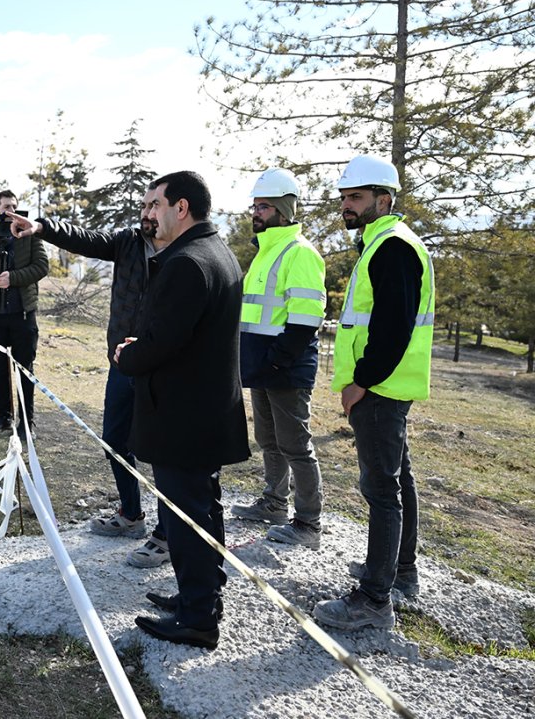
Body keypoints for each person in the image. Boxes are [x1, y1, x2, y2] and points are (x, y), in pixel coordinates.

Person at [113, 171, 249, 649]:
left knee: (186, 517)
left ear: (181, 208)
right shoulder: (218, 252)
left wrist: (126, 354)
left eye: (154, 205)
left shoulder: (187, 263)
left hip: (182, 416)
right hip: (204, 410)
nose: (147, 214)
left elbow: (161, 344)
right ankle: (203, 596)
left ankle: (197, 619)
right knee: (203, 510)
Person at [7, 189, 171, 568]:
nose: (146, 213)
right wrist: (42, 228)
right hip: (122, 363)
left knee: (164, 453)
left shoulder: (182, 252)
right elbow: (86, 239)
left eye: (153, 206)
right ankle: (131, 515)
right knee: (114, 439)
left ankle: (166, 535)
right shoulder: (128, 243)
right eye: (143, 205)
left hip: (161, 366)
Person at [313, 155, 435, 631]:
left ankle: (373, 601)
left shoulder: (392, 246)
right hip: (385, 387)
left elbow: (392, 326)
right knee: (398, 480)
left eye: (356, 197)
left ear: (384, 200)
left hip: (379, 389)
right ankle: (400, 574)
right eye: (344, 197)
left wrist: (360, 381)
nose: (346, 205)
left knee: (382, 490)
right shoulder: (383, 243)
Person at [231, 168, 327, 550]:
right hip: (263, 365)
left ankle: (308, 523)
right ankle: (274, 503)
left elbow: (305, 322)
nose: (256, 212)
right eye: (254, 205)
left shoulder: (300, 253)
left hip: (285, 368)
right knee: (268, 439)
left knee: (296, 445)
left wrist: (275, 361)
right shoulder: (266, 251)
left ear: (285, 210)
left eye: (265, 206)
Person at [0, 189, 49, 437]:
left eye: (14, 207)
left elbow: (41, 266)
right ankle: (3, 417)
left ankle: (27, 423)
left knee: (24, 368)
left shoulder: (29, 233)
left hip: (22, 314)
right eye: (6, 207)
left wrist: (12, 278)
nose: (11, 212)